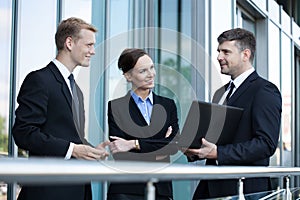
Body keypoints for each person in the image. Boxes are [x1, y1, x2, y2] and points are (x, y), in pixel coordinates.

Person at [12, 17, 110, 200]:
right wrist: (73, 150)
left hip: (76, 189)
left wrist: (90, 150)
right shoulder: (40, 80)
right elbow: (23, 133)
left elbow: (67, 135)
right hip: (48, 191)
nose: (93, 51)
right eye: (89, 45)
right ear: (70, 43)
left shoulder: (77, 90)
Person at [184, 28, 282, 199]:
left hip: (244, 190)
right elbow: (216, 138)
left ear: (245, 54)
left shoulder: (264, 91)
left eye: (226, 52)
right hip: (211, 187)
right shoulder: (220, 93)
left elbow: (266, 144)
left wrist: (219, 153)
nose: (219, 57)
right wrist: (194, 148)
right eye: (219, 51)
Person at [107, 48, 179, 200]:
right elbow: (120, 154)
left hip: (161, 189)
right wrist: (160, 149)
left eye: (152, 68)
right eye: (143, 71)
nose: (151, 74)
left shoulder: (168, 105)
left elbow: (173, 146)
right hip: (127, 190)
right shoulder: (116, 107)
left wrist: (134, 144)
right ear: (128, 76)